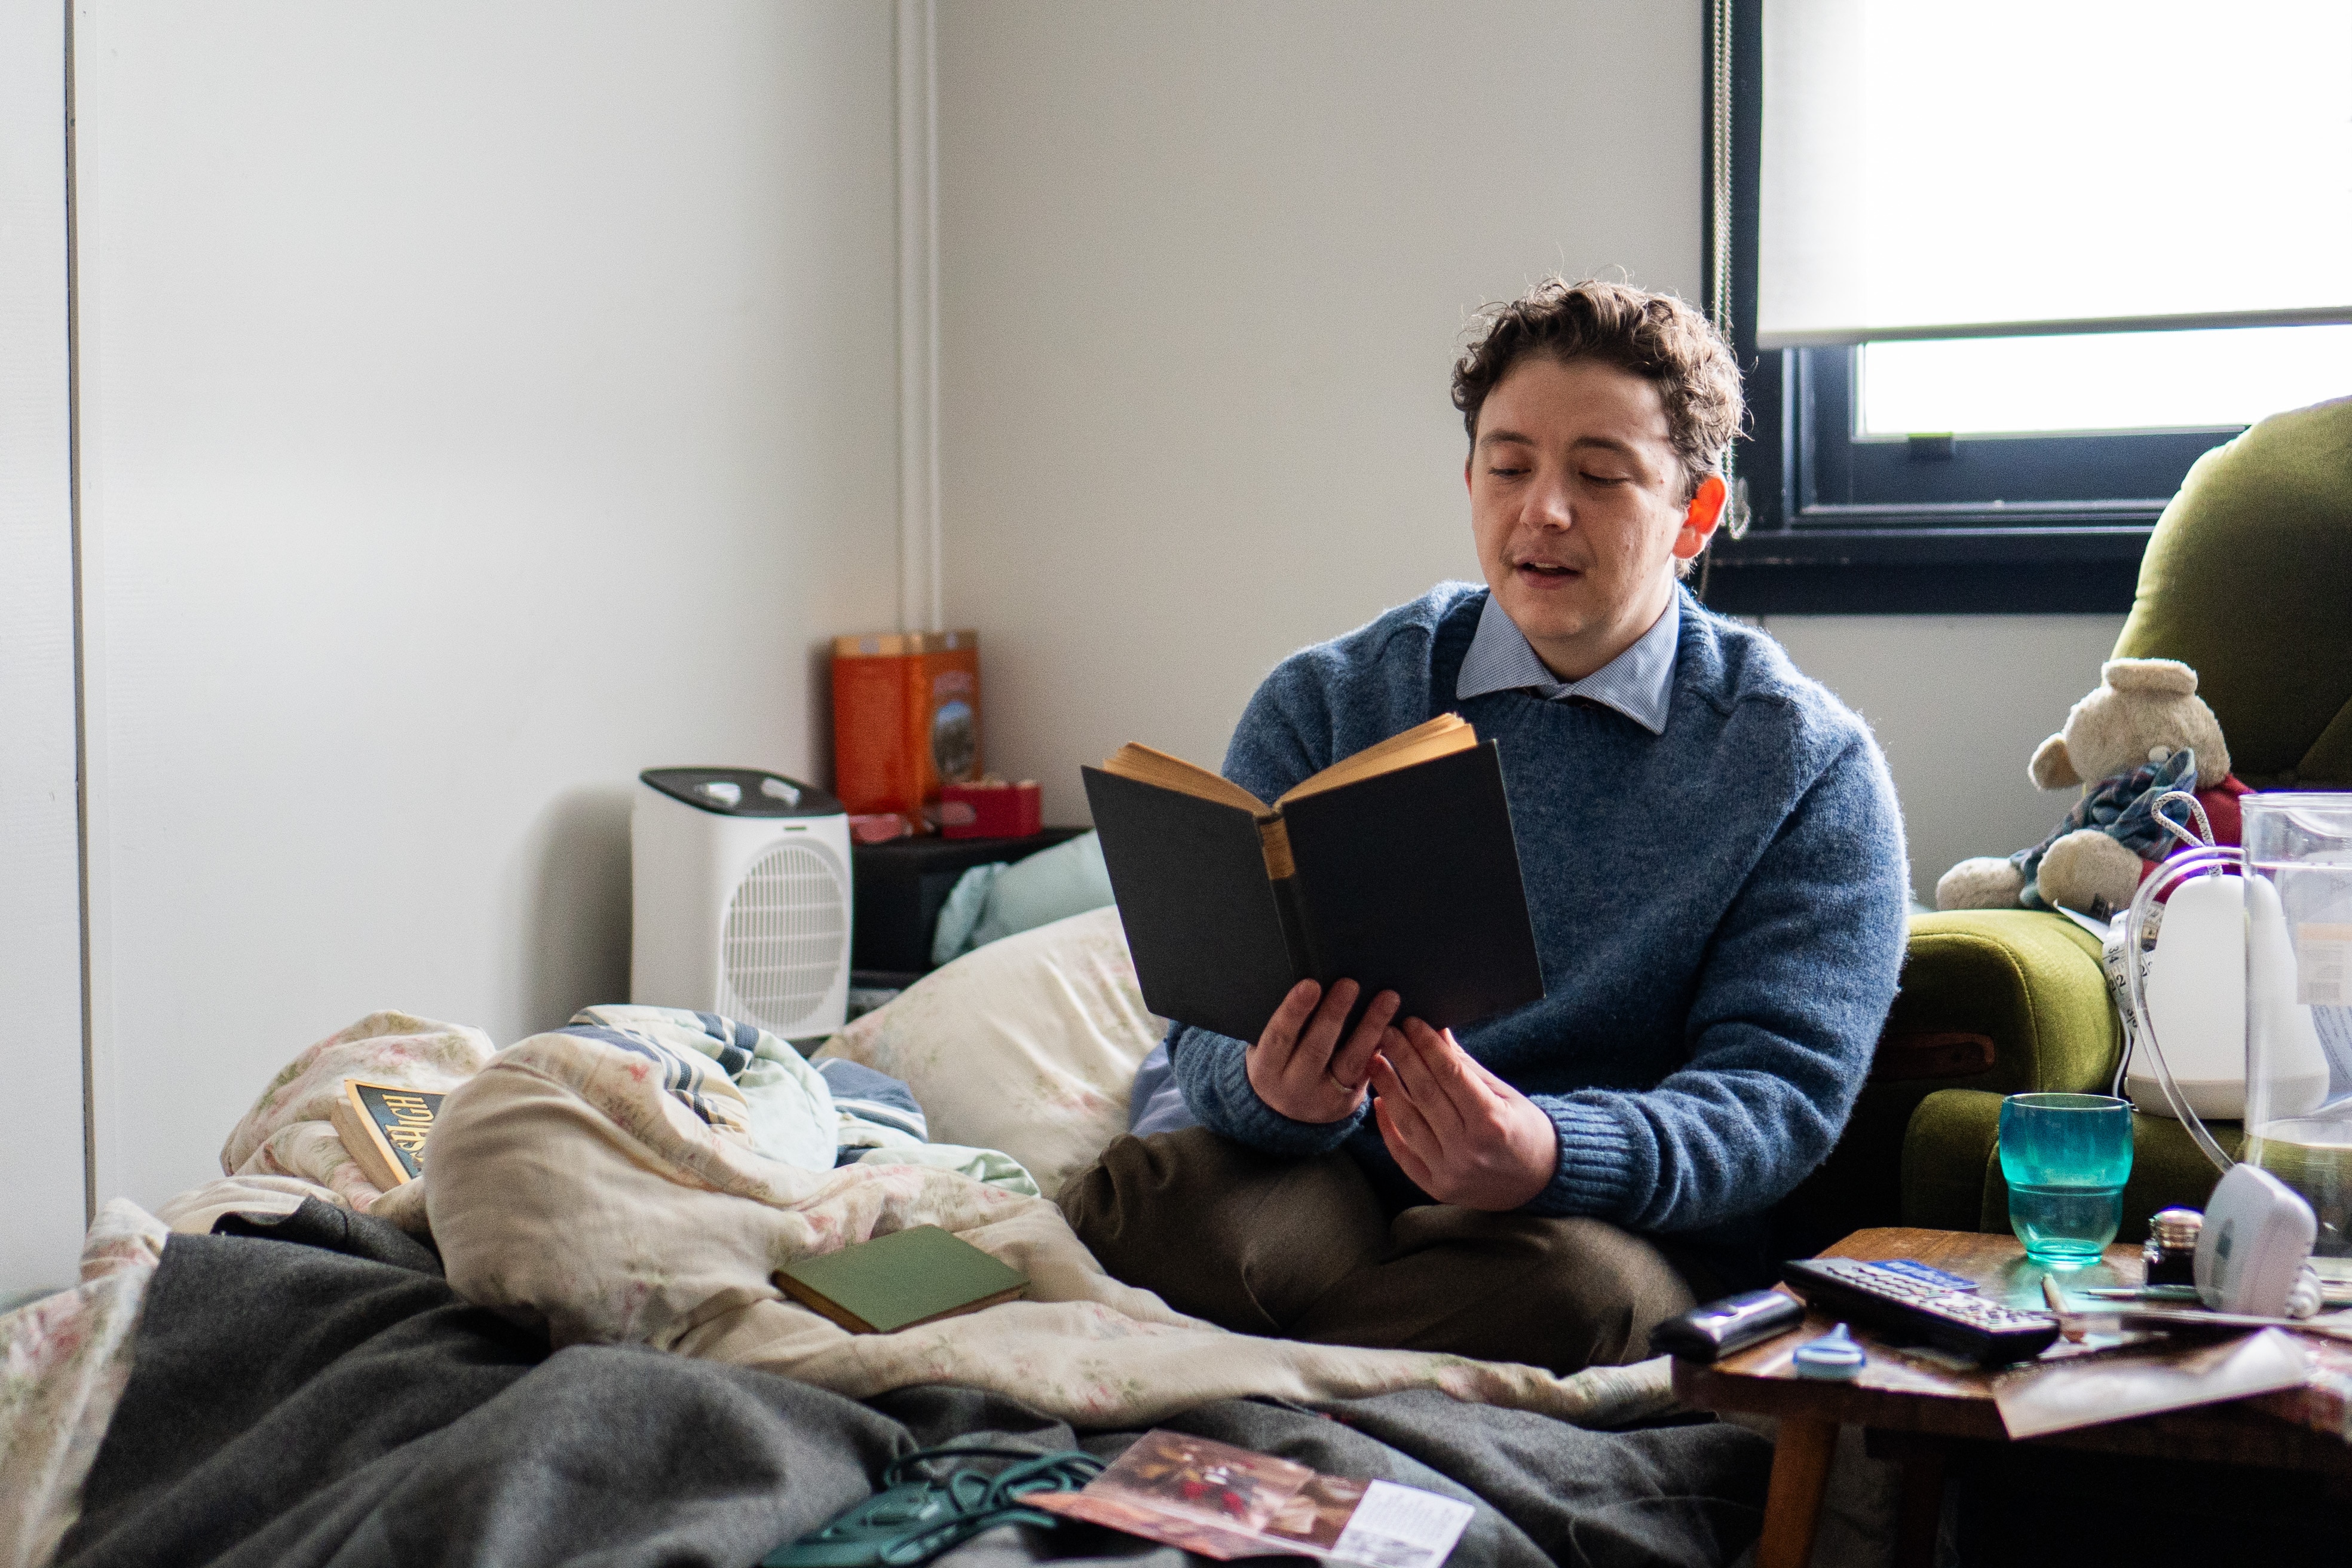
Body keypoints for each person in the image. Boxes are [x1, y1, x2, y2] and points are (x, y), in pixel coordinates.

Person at [1058, 277, 1910, 1375]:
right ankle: (1340, 1378)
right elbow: (1207, 1021)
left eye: (1601, 477)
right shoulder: (1328, 699)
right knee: (1156, 1210)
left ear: (1695, 514)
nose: (1542, 512)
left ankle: (1249, 1380)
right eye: (1509, 468)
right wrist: (1271, 1090)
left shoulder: (1804, 766)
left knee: (1575, 1300)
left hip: (1582, 1224)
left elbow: (1777, 1100)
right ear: (1470, 480)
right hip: (1324, 1181)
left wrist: (1552, 1152)